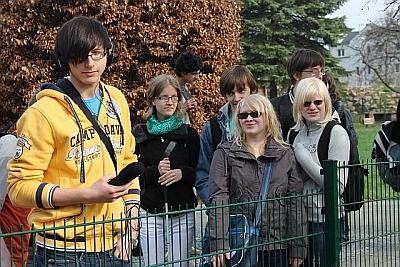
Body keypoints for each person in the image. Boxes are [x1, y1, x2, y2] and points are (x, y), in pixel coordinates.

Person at [7, 16, 140, 266]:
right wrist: (87, 194)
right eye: (80, 56)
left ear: (107, 54)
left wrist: (131, 227)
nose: (89, 63)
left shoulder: (118, 101)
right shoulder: (42, 112)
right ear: (65, 59)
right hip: (62, 252)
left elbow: (128, 161)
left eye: (97, 54)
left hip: (116, 243)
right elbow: (19, 189)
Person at [208, 94, 307, 267]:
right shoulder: (225, 152)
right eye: (243, 115)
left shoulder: (285, 153)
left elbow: (295, 201)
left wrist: (298, 245)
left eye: (255, 114)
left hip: (276, 243)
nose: (249, 118)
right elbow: (218, 199)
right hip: (240, 241)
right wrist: (218, 244)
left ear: (267, 116)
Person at [132, 74, 200, 266]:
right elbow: (134, 174)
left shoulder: (189, 134)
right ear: (154, 100)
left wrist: (182, 173)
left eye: (174, 97)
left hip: (182, 210)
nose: (170, 102)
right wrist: (155, 171)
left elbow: (200, 172)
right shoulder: (140, 134)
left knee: (181, 263)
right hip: (151, 210)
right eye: (164, 97)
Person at [289, 77, 350, 267]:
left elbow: (337, 185)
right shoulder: (293, 133)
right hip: (297, 219)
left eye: (318, 102)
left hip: (326, 220)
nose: (312, 107)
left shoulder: (335, 132)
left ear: (326, 102)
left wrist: (303, 157)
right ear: (298, 105)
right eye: (306, 103)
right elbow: (290, 178)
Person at [196, 65, 258, 206]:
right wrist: (215, 204)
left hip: (260, 208)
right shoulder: (213, 128)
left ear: (252, 90)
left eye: (241, 91)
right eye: (231, 93)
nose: (236, 98)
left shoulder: (268, 122)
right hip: (225, 207)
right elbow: (203, 172)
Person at [271, 48, 325, 140]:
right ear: (296, 75)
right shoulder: (273, 108)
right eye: (314, 71)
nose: (320, 76)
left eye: (321, 71)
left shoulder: (329, 105)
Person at [174, 50, 203, 124]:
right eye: (194, 74)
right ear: (183, 73)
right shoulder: (170, 89)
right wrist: (184, 108)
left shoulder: (184, 87)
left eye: (198, 73)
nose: (197, 77)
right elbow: (163, 118)